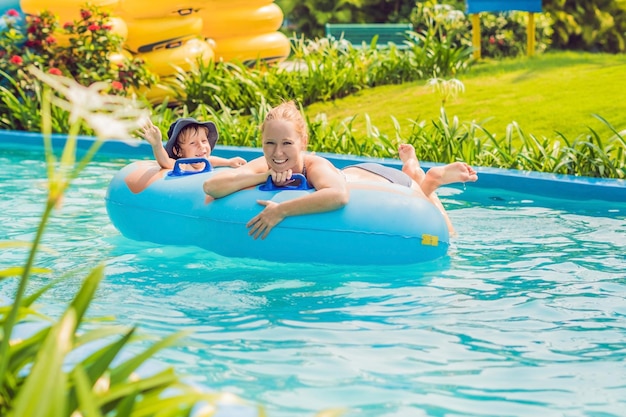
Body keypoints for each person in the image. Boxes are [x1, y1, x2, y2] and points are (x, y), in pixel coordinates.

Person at [202, 101, 477, 239]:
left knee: (449, 238)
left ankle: (425, 179)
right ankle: (420, 176)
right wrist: (265, 176)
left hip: (383, 179)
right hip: (357, 174)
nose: (278, 152)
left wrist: (282, 209)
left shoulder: (314, 165)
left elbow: (338, 196)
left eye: (287, 143)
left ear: (303, 143)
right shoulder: (268, 163)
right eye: (269, 143)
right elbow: (212, 187)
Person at [141, 117, 246, 171]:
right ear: (178, 151)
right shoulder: (184, 165)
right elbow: (166, 163)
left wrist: (229, 162)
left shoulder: (203, 163)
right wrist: (157, 145)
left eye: (204, 141)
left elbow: (210, 160)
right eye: (192, 143)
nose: (201, 146)